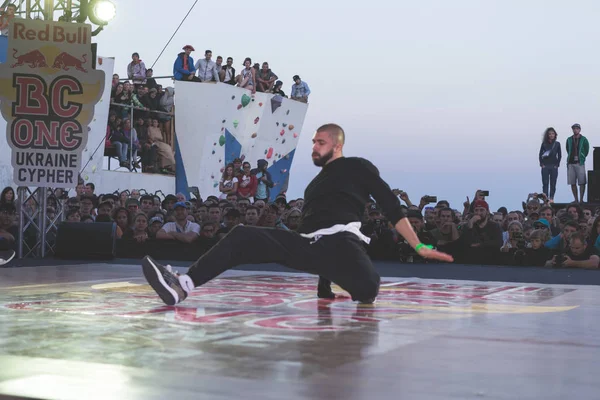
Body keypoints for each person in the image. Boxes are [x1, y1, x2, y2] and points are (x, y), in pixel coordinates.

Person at [141, 123, 453, 306]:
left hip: (342, 244)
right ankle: (183, 285)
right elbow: (318, 226)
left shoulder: (358, 167)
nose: (314, 147)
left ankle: (357, 282)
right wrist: (324, 283)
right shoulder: (316, 184)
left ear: (338, 144)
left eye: (321, 142)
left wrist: (418, 245)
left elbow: (388, 202)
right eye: (314, 142)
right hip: (306, 244)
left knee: (368, 289)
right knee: (242, 236)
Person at [539, 127, 561, 202]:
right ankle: (545, 198)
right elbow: (540, 154)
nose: (551, 135)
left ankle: (551, 198)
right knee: (545, 183)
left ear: (555, 135)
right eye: (550, 134)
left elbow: (560, 155)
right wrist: (541, 164)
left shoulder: (557, 144)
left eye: (553, 134)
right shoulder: (544, 144)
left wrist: (557, 164)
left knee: (553, 182)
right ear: (547, 135)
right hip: (545, 166)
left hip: (553, 166)